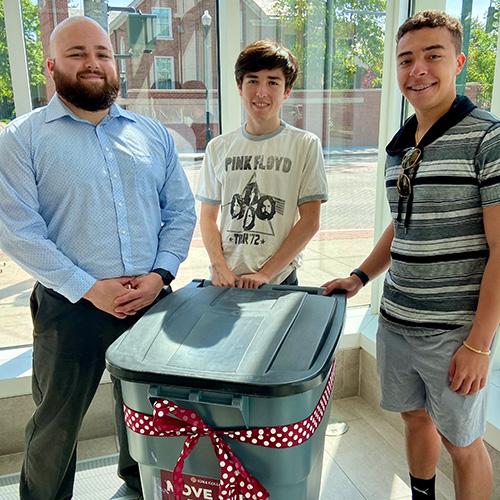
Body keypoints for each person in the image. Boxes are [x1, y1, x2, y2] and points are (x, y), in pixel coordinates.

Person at [0, 16, 196, 500]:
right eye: (77, 54)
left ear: (114, 63)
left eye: (102, 53)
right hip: (72, 307)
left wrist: (160, 274)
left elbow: (181, 212)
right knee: (55, 423)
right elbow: (19, 231)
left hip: (152, 301)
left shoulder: (151, 135)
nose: (93, 63)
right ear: (50, 66)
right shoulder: (22, 139)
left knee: (147, 411)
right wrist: (91, 287)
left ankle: (138, 486)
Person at [322, 10, 499, 500]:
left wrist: (480, 344)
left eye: (432, 56)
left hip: (454, 331)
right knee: (414, 417)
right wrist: (360, 277)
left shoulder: (489, 138)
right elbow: (404, 224)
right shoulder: (401, 147)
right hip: (398, 317)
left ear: (459, 62)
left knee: (463, 442)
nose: (417, 69)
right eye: (406, 59)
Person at [196, 40, 328, 288]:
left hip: (278, 280)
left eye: (273, 82)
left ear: (286, 91)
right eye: (253, 80)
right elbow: (208, 217)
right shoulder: (218, 147)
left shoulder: (305, 145)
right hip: (226, 280)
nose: (261, 92)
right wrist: (220, 267)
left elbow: (310, 221)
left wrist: (266, 274)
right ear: (239, 86)